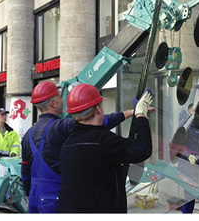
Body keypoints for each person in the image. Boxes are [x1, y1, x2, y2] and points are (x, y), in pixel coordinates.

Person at [21, 81, 135, 213]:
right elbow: (94, 122)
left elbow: (25, 172)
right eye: (59, 97)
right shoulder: (60, 127)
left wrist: (29, 195)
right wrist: (129, 113)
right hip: (53, 197)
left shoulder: (28, 135)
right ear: (53, 103)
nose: (62, 100)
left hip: (35, 198)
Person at [57, 83, 153, 213]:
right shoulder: (102, 141)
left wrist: (131, 113)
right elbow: (143, 149)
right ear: (98, 109)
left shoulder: (68, 144)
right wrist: (141, 115)